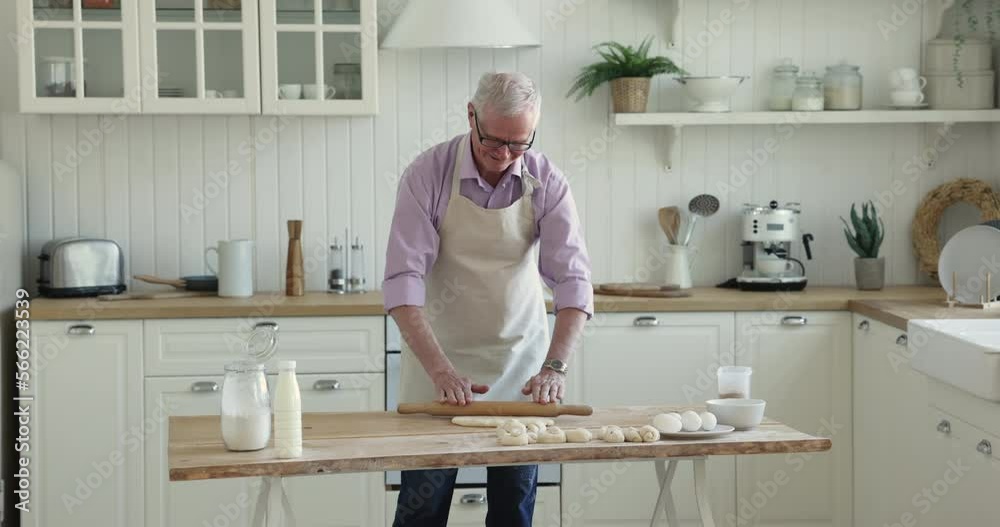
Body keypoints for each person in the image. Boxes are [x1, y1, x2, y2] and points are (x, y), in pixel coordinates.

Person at [384, 72, 593, 526]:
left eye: (519, 144)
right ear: (471, 115)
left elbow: (573, 282)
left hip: (519, 366)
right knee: (422, 510)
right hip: (438, 365)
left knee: (513, 510)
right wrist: (440, 370)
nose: (504, 155)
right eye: (493, 141)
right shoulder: (427, 175)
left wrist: (555, 366)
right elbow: (402, 282)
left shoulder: (547, 180)